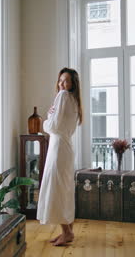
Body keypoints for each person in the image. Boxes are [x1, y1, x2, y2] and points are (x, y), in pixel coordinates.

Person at [36, 67, 83, 246]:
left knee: (56, 189)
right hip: (66, 147)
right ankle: (67, 230)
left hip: (58, 149)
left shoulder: (63, 96)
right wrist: (53, 116)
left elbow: (52, 126)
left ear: (73, 84)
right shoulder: (74, 100)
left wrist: (47, 119)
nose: (62, 84)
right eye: (60, 80)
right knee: (65, 189)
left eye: (66, 81)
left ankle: (67, 232)